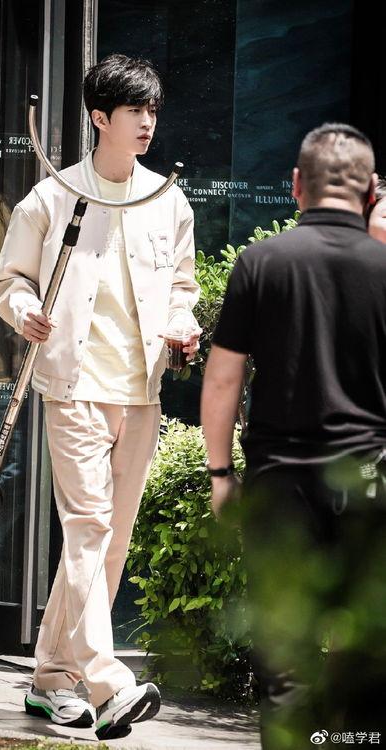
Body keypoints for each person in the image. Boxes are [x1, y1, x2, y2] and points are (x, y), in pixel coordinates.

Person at [0, 53, 200, 740]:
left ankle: (52, 679)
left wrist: (183, 322)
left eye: (152, 110)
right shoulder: (51, 196)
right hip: (74, 386)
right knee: (88, 529)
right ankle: (110, 685)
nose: (147, 122)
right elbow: (8, 280)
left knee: (108, 546)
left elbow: (182, 286)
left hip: (141, 392)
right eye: (134, 110)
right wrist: (25, 310)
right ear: (99, 117)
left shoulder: (168, 198)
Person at [201, 124, 386, 747]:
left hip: (280, 483)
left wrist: (221, 475)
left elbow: (223, 378)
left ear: (297, 185)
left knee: (285, 666)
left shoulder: (262, 262)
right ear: (369, 190)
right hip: (371, 481)